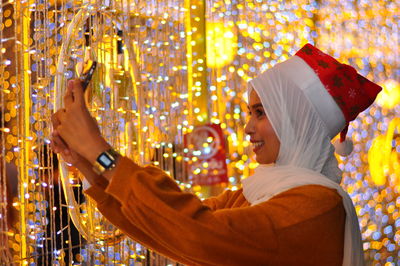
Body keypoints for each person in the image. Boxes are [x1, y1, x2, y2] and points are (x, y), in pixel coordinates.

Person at [51, 43, 381, 265]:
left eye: (261, 113)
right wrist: (90, 165)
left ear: (296, 121)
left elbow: (196, 233)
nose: (248, 129)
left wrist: (100, 150)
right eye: (250, 114)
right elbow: (168, 229)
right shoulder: (259, 193)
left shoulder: (316, 207)